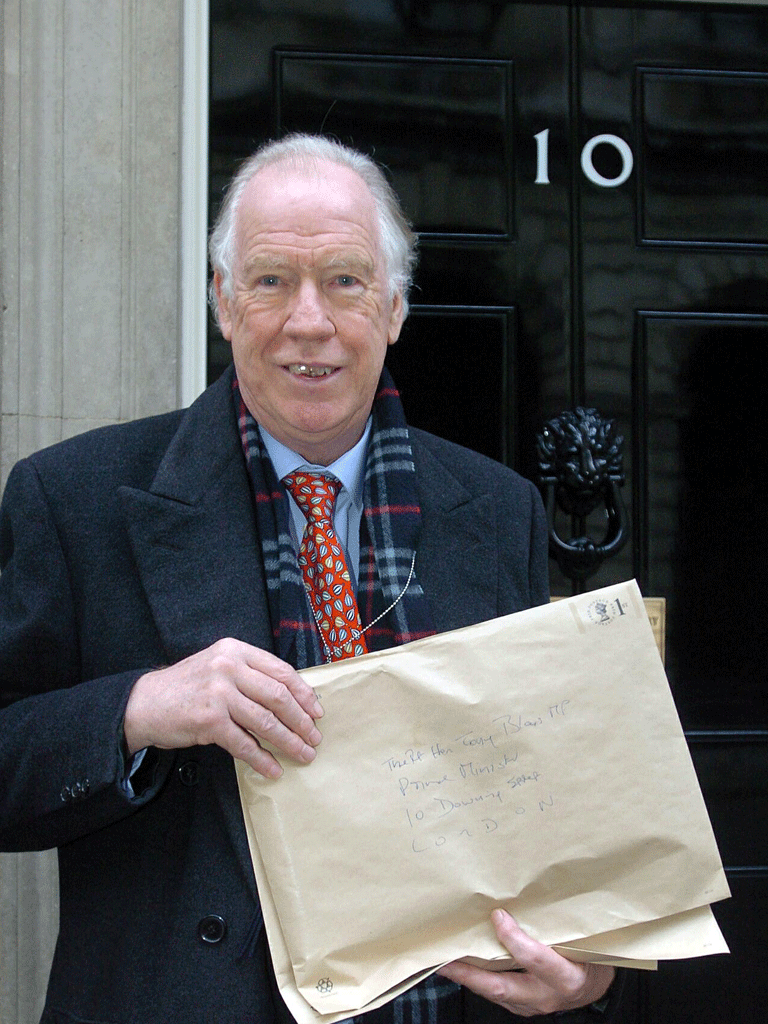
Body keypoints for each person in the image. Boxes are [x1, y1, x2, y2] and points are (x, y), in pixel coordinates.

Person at [0, 134, 619, 1023]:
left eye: (345, 280)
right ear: (221, 301)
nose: (308, 321)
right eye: (269, 281)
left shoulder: (500, 511)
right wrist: (138, 708)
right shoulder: (74, 499)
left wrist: (588, 968)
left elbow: (553, 805)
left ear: (397, 306)